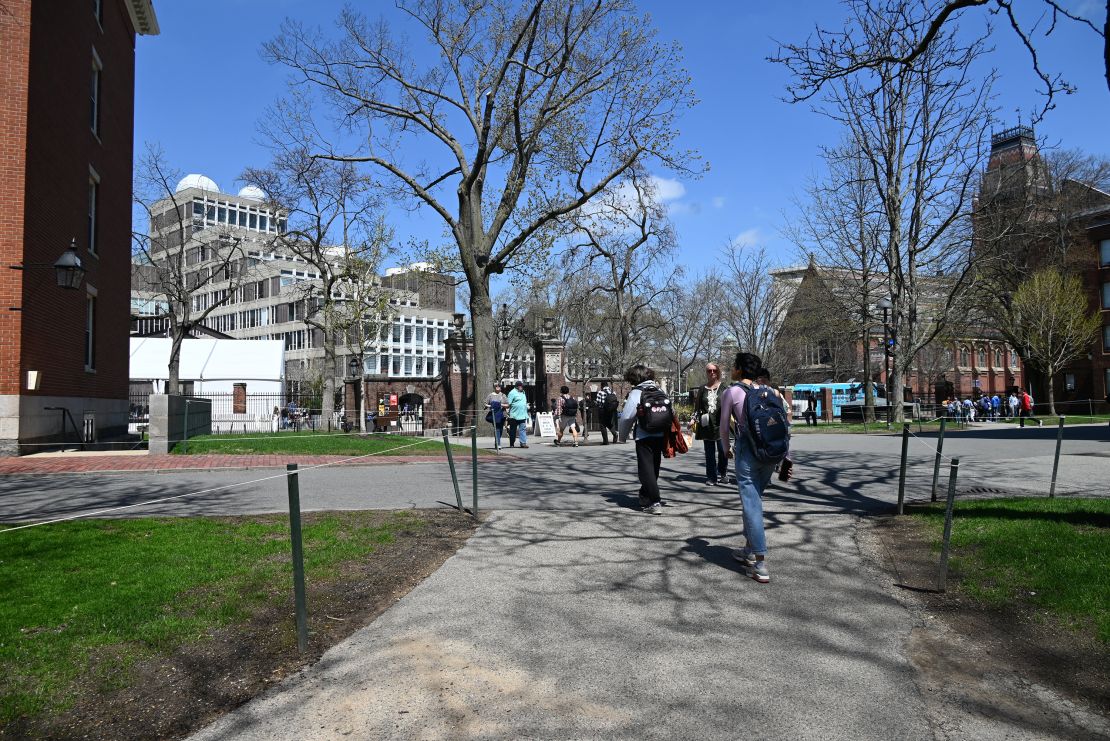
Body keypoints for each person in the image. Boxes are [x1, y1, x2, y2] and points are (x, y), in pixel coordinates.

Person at [721, 351, 793, 584]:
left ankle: (760, 563)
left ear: (740, 369)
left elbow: (723, 427)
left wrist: (725, 449)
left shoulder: (731, 392)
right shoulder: (770, 392)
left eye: (734, 366)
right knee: (754, 499)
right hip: (770, 453)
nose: (732, 369)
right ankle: (749, 549)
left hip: (747, 451)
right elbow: (783, 427)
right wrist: (786, 457)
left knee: (751, 504)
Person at [618, 365, 667, 515]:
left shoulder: (636, 393)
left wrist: (622, 436)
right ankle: (645, 495)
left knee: (645, 470)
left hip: (644, 435)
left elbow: (627, 417)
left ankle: (654, 501)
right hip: (660, 434)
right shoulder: (659, 391)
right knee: (654, 468)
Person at [690, 362, 727, 485]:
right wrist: (693, 419)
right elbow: (697, 407)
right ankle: (711, 477)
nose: (712, 373)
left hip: (721, 424)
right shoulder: (702, 389)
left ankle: (722, 472)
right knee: (709, 453)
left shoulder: (724, 388)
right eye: (709, 371)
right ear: (706, 373)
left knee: (723, 451)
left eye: (714, 370)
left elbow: (731, 406)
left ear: (718, 372)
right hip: (707, 425)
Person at [506, 380, 530, 448]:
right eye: (520, 386)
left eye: (522, 386)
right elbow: (508, 404)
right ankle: (511, 443)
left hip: (522, 415)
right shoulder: (512, 393)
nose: (522, 387)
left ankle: (523, 443)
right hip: (514, 415)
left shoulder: (523, 392)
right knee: (513, 430)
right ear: (517, 386)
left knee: (522, 429)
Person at [485, 383, 508, 451]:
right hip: (494, 414)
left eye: (499, 386)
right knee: (497, 428)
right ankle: (498, 444)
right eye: (496, 386)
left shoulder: (503, 395)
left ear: (500, 387)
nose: (497, 387)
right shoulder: (490, 395)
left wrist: (501, 405)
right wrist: (490, 406)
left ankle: (497, 442)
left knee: (500, 429)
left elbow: (508, 405)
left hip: (502, 414)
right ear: (494, 387)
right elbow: (485, 403)